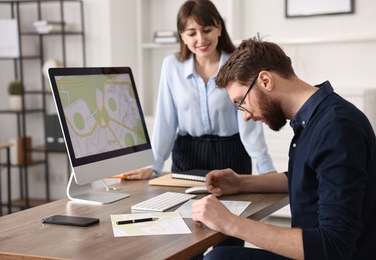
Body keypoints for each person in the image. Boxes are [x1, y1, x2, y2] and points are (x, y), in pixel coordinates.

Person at [191, 36, 376, 260]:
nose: (246, 116)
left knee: (217, 259)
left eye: (242, 102)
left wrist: (229, 223)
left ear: (266, 80)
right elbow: (309, 178)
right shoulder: (315, 119)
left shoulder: (337, 128)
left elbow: (334, 246)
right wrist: (242, 182)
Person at [123, 0, 275, 179]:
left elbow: (249, 125)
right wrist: (154, 166)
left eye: (207, 30)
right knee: (181, 207)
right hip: (187, 156)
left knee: (230, 208)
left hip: (231, 156)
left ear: (219, 28)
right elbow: (165, 120)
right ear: (182, 36)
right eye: (192, 33)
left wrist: (266, 169)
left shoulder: (238, 66)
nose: (201, 40)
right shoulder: (171, 66)